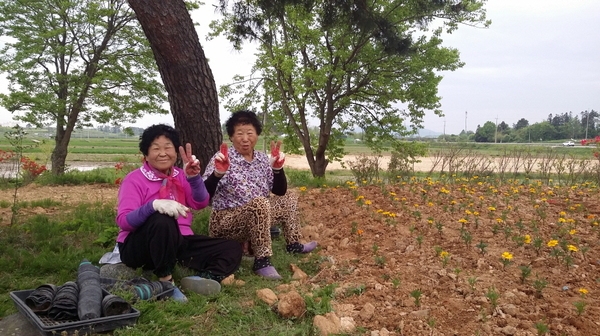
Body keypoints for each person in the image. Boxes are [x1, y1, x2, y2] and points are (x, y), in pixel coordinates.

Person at [115, 124, 242, 302]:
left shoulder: (180, 175)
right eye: (156, 148)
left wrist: (193, 178)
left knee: (232, 247)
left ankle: (205, 278)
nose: (162, 153)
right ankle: (166, 283)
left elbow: (200, 202)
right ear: (146, 154)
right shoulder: (134, 179)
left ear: (175, 152)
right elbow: (124, 221)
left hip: (177, 242)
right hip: (139, 246)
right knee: (163, 218)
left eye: (168, 147)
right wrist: (153, 205)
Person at [202, 110, 317, 280]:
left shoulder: (262, 159)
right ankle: (262, 261)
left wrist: (277, 169)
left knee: (289, 197)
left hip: (258, 217)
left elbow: (279, 191)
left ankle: (293, 243)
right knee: (260, 204)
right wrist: (218, 174)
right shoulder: (222, 159)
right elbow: (204, 194)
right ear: (231, 137)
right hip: (226, 221)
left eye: (250, 133)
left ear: (257, 135)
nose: (245, 138)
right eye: (239, 133)